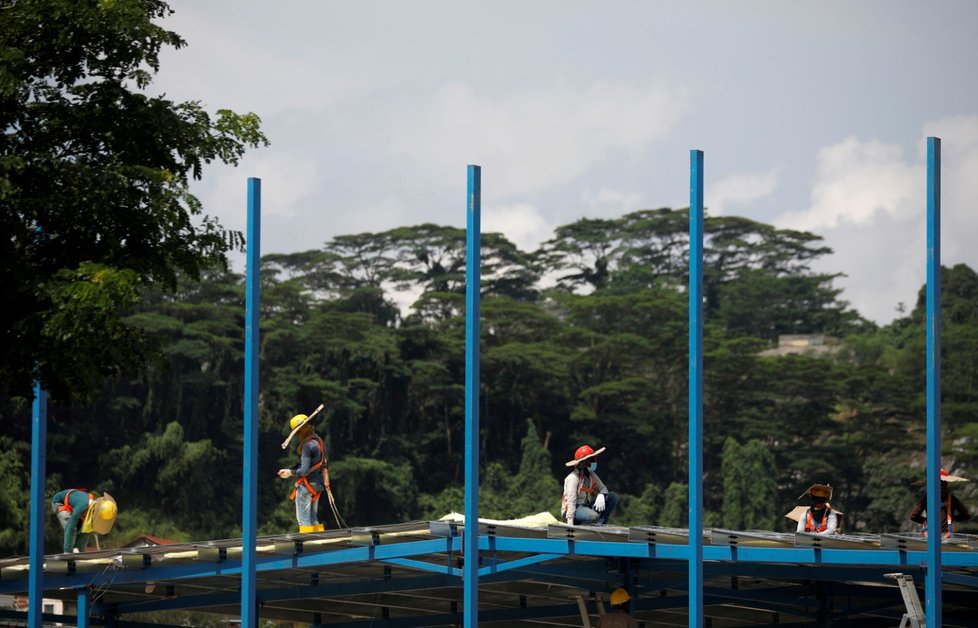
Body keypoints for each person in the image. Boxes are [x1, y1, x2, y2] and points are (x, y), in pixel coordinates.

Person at [278, 413, 328, 533]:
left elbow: (304, 471)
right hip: (318, 485)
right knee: (313, 518)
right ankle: (319, 541)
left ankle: (309, 546)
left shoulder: (307, 446)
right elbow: (322, 464)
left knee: (304, 520)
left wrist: (291, 472)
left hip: (307, 486)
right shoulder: (320, 442)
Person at [560, 444, 618, 526]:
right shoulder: (573, 478)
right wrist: (570, 523)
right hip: (576, 509)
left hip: (587, 506)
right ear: (583, 463)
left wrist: (601, 495)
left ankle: (601, 523)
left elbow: (603, 488)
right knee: (592, 515)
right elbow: (571, 502)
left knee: (612, 497)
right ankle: (581, 522)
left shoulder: (591, 474)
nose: (594, 462)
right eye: (591, 460)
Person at [51, 489, 117, 554]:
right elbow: (70, 527)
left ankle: (78, 551)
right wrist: (67, 551)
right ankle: (68, 551)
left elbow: (86, 530)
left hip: (75, 508)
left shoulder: (92, 508)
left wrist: (78, 551)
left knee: (87, 530)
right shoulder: (83, 505)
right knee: (72, 527)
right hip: (60, 503)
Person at [909, 469, 971, 538]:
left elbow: (914, 516)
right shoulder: (952, 498)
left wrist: (926, 521)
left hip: (930, 535)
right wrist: (952, 519)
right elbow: (966, 515)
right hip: (947, 536)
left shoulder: (926, 498)